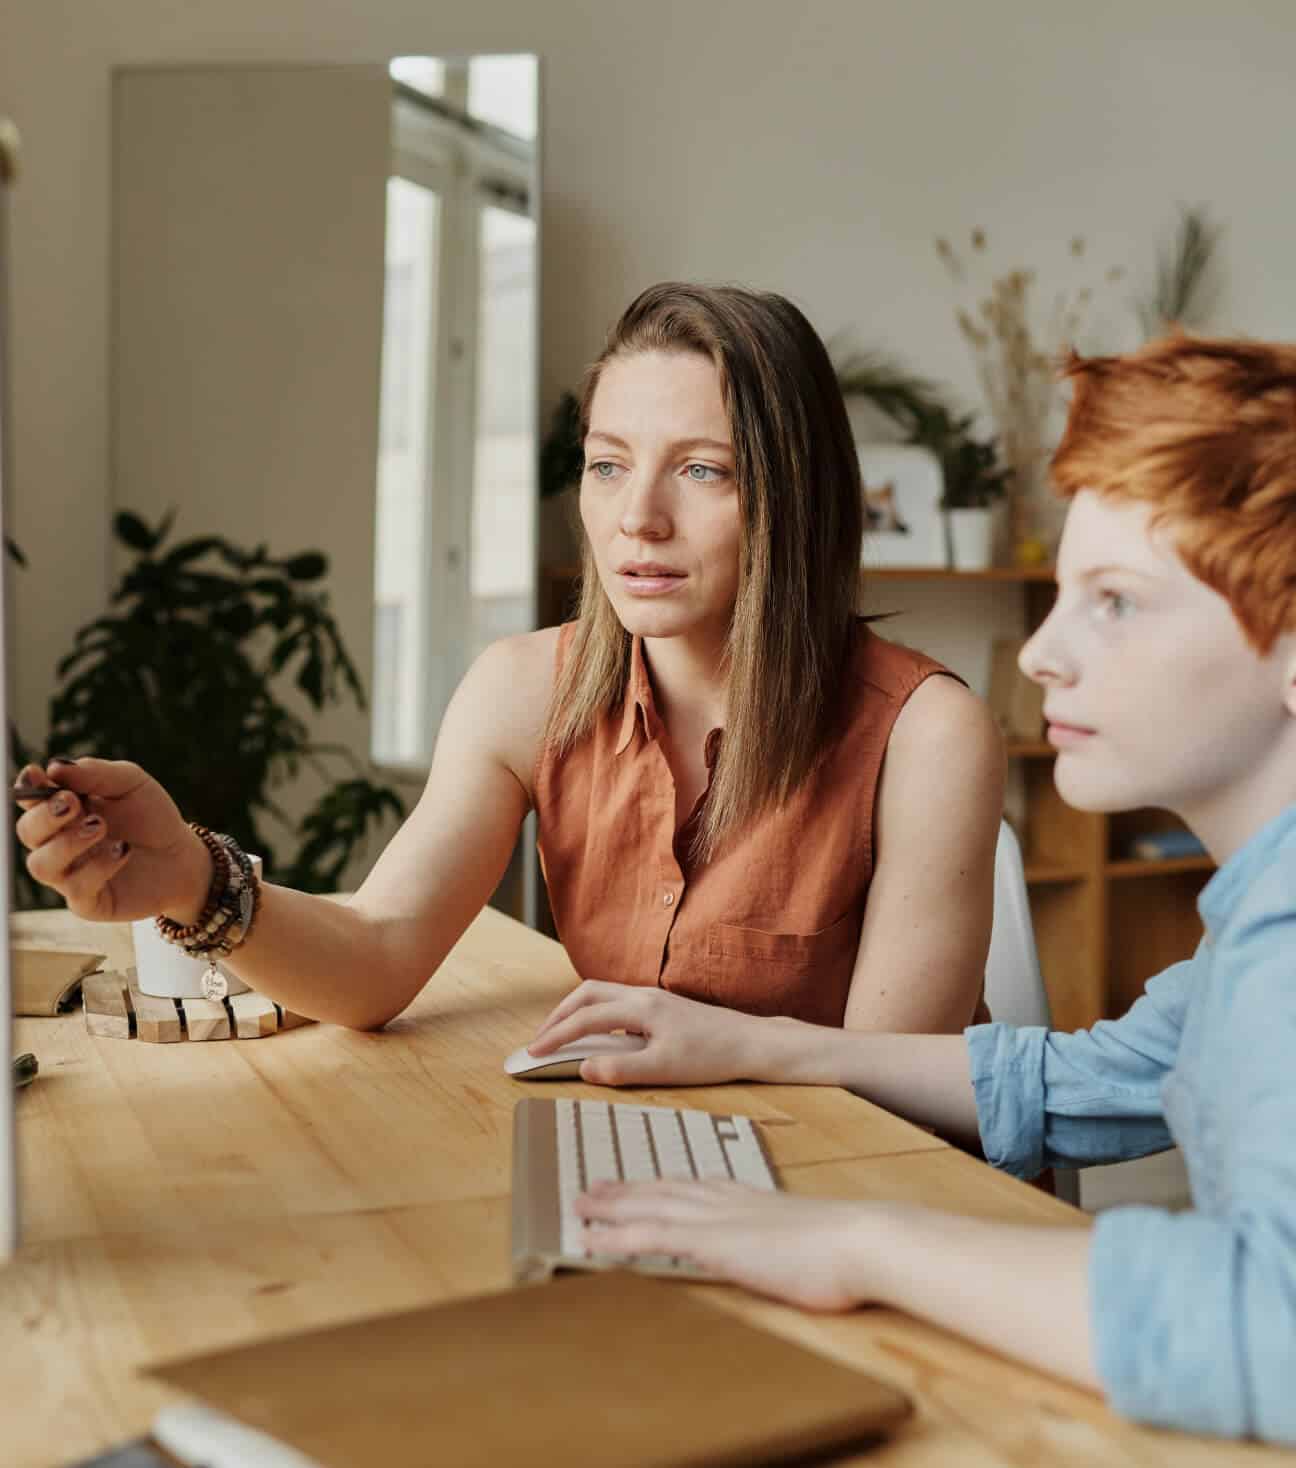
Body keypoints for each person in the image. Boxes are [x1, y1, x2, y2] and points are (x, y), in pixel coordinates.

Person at [530, 333, 1296, 1445]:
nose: (1039, 655)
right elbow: (1094, 1077)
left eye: (1116, 603)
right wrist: (755, 1043)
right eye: (1063, 595)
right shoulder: (1252, 929)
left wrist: (860, 1245)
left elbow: (1272, 1327)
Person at [15, 283, 1003, 1037]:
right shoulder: (526, 689)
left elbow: (892, 1096)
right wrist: (192, 875)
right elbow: (377, 955)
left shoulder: (927, 734)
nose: (637, 517)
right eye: (608, 463)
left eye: (703, 470)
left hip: (861, 1201)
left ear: (797, 496)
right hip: (655, 1166)